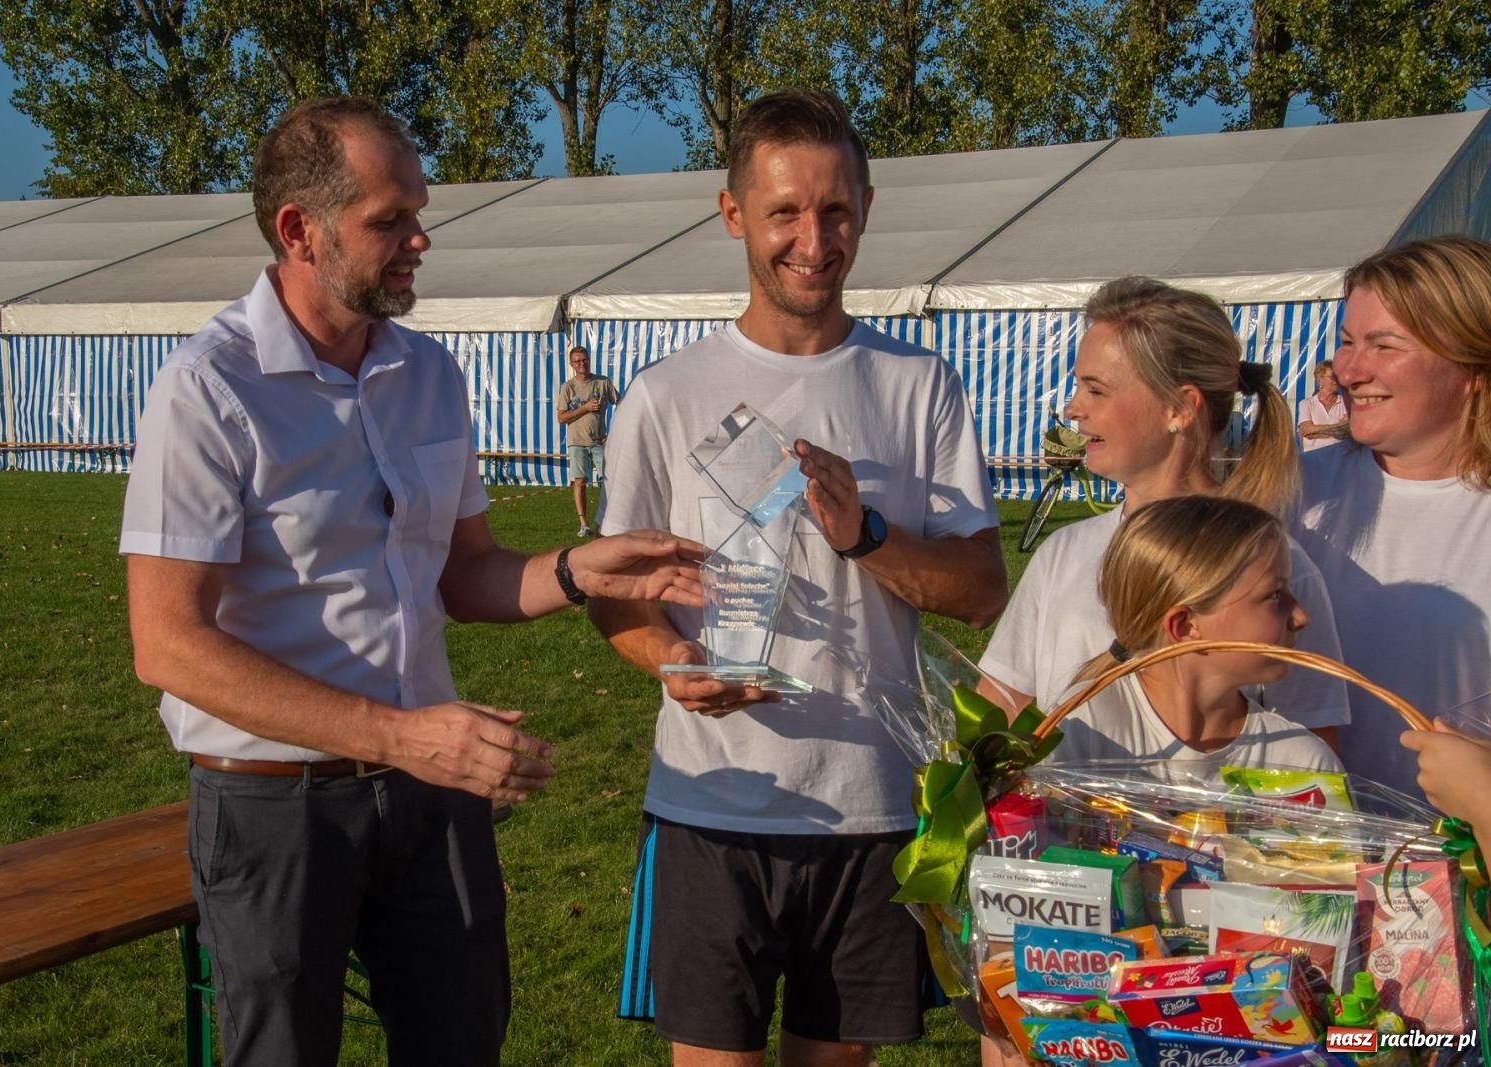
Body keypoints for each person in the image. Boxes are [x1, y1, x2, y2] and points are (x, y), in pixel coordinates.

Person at [120, 97, 700, 1067]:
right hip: (274, 805)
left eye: (418, 212)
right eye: (390, 219)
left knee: (463, 1039)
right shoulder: (209, 387)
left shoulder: (427, 371)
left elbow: (461, 571)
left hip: (431, 790)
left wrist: (573, 566)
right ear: (299, 230)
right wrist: (398, 734)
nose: (420, 239)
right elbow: (167, 641)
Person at [589, 89, 1007, 1066]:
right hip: (711, 802)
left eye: (834, 209)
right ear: (733, 214)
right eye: (783, 211)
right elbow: (616, 596)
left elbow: (982, 588)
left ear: (864, 205)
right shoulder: (662, 395)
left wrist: (863, 533)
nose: (811, 239)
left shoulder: (917, 384)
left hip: (870, 807)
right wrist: (670, 663)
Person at [978, 277, 1349, 746]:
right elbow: (1000, 708)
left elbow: (1311, 755)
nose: (1073, 409)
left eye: (1096, 390)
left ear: (1179, 407)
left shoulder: (1277, 573)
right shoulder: (1064, 553)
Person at [1295, 235, 1491, 801]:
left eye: (1385, 346)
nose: (1349, 370)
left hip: (1460, 860)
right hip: (1304, 854)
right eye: (1348, 342)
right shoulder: (1294, 494)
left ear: (1471, 367)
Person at [1049, 495, 1341, 784]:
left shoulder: (1302, 765)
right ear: (1186, 625)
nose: (1301, 617)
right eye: (1274, 595)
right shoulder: (1081, 727)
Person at [556, 344, 618, 537]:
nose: (582, 364)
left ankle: (609, 520)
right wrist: (584, 408)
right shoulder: (568, 387)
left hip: (599, 441)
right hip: (577, 442)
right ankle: (584, 523)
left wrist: (614, 433)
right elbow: (561, 418)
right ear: (572, 364)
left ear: (589, 360)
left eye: (584, 360)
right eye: (577, 361)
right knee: (580, 482)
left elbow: (622, 405)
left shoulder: (602, 382)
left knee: (610, 481)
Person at [1297, 360, 1348, 451]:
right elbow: (1307, 432)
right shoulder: (1306, 404)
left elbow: (1346, 431)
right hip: (1315, 460)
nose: (1336, 380)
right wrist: (1338, 427)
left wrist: (1315, 430)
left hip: (1340, 460)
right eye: (1333, 377)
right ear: (1320, 380)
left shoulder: (1346, 402)